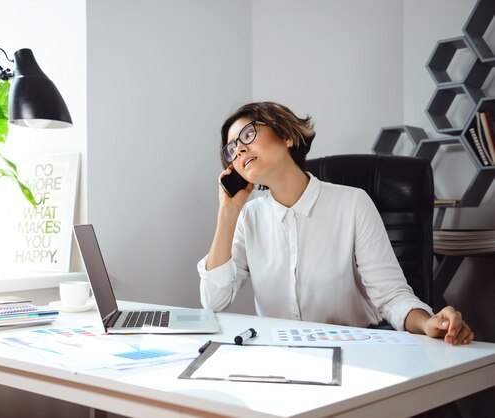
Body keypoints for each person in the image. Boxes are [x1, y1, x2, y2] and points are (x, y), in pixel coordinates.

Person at [198, 101, 473, 345]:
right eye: (232, 149)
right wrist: (228, 212)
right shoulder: (250, 216)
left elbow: (391, 296)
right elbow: (214, 302)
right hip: (278, 356)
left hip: (353, 352)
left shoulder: (352, 203)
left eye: (248, 134)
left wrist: (427, 323)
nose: (240, 149)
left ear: (286, 136)